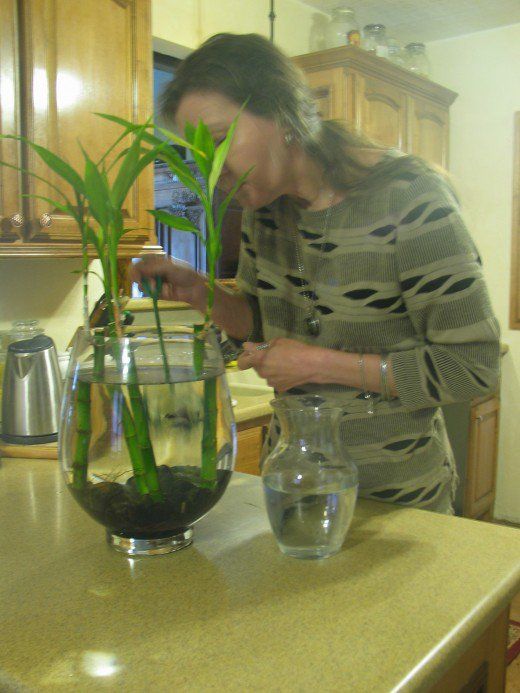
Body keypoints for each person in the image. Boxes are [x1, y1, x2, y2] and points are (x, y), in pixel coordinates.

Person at [131, 33, 500, 514]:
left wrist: (320, 364)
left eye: (220, 141)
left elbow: (474, 367)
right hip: (293, 486)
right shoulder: (264, 211)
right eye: (198, 152)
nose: (211, 168)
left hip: (399, 503)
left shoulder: (409, 199)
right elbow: (264, 326)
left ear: (283, 117)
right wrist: (205, 296)